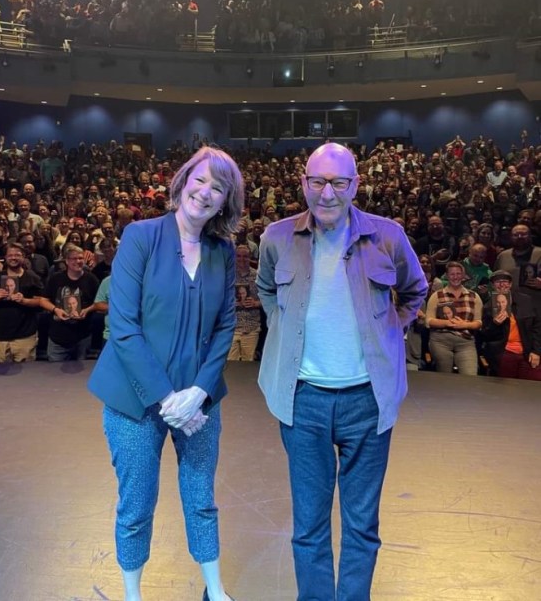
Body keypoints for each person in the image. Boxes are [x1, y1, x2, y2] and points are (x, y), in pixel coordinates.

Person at [256, 142, 427, 601]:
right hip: (303, 400)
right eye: (317, 181)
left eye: (338, 182)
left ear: (355, 185)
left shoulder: (388, 236)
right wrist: (286, 328)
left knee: (361, 526)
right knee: (308, 526)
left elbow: (415, 291)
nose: (326, 193)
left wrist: (390, 331)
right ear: (303, 183)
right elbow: (266, 290)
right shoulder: (275, 237)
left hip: (367, 403)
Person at [87, 146, 244, 601]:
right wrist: (167, 399)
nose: (206, 192)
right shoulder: (141, 236)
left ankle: (214, 589)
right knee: (136, 505)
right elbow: (124, 327)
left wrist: (198, 392)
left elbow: (225, 325)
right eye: (200, 180)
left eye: (218, 187)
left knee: (201, 497)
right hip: (134, 402)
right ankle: (133, 595)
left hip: (198, 402)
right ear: (181, 183)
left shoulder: (222, 251)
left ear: (225, 201)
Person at [425, 261, 483, 375]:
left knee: (470, 375)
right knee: (445, 376)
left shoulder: (474, 296)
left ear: (463, 275)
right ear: (447, 275)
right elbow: (428, 321)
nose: (455, 277)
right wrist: (447, 323)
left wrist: (464, 325)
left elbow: (479, 322)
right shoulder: (437, 295)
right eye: (452, 274)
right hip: (441, 340)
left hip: (465, 342)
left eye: (458, 273)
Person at [481, 270, 541, 379]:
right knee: (507, 384)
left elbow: (537, 327)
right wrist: (495, 324)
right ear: (493, 285)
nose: (502, 285)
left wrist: (536, 351)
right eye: (498, 282)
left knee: (535, 381)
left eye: (505, 281)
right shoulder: (488, 307)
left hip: (527, 351)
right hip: (504, 352)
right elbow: (485, 335)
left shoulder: (525, 300)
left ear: (511, 284)